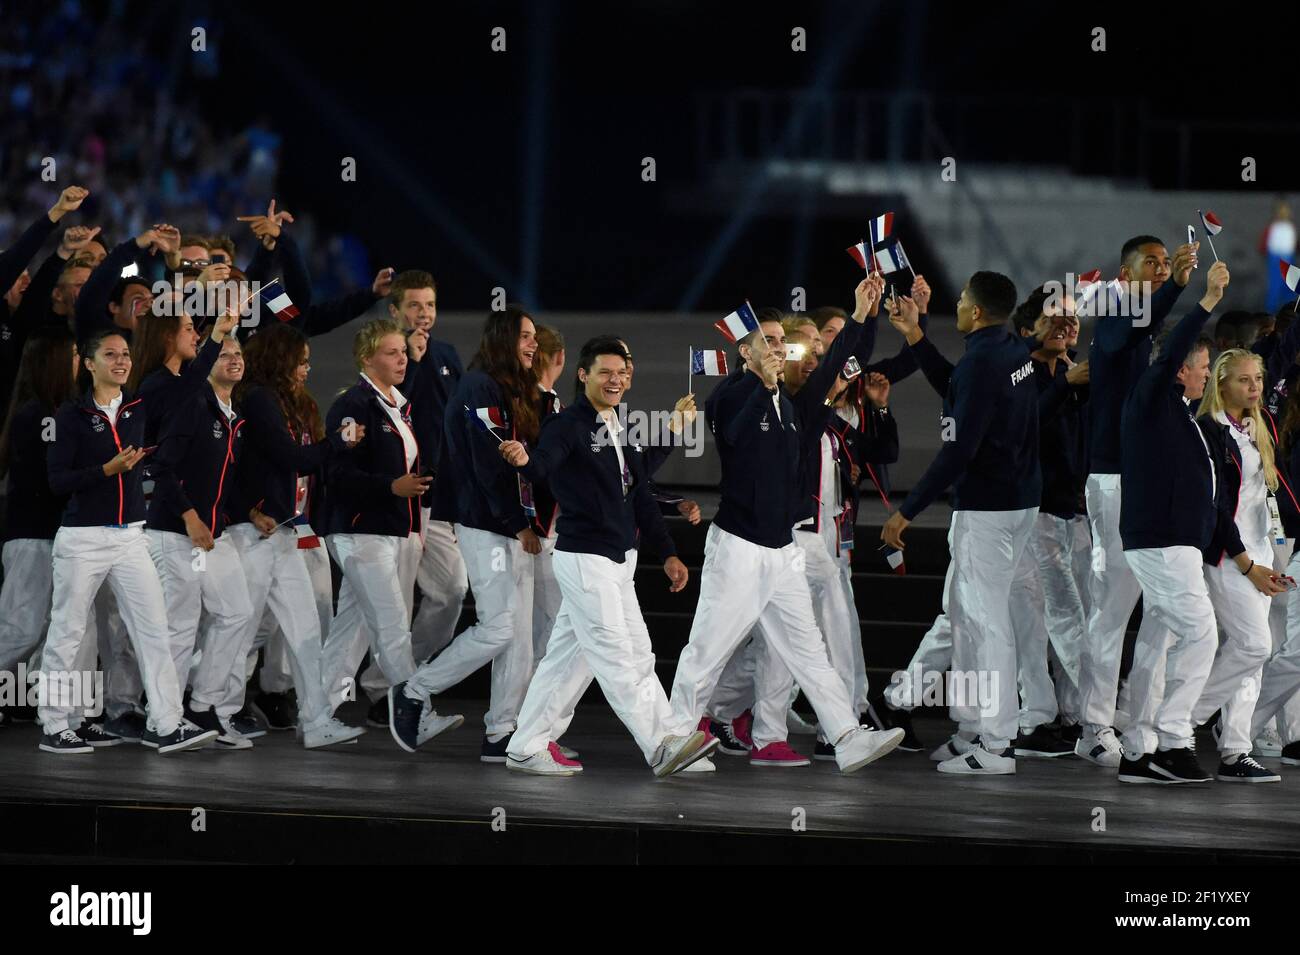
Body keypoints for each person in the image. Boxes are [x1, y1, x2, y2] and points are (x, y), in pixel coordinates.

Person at [663, 294, 905, 775]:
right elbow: (734, 434)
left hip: (783, 550)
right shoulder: (731, 394)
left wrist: (860, 314)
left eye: (780, 342)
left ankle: (847, 736)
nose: (778, 349)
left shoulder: (795, 404)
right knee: (707, 649)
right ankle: (671, 739)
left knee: (808, 650)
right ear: (745, 352)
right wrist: (763, 386)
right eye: (766, 343)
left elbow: (838, 361)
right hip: (738, 546)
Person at [492, 336, 708, 776]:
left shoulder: (618, 422)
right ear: (583, 375)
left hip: (617, 560)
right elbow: (542, 466)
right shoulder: (566, 424)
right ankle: (662, 745)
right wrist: (523, 461)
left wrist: (666, 551)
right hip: (586, 559)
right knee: (618, 655)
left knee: (582, 660)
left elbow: (639, 490)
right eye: (605, 372)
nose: (615, 380)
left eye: (622, 373)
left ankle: (526, 744)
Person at [880, 271, 1040, 775]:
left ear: (974, 312)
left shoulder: (984, 361)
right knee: (967, 617)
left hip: (989, 512)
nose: (958, 302)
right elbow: (956, 386)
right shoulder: (1010, 351)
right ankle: (972, 727)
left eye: (964, 299)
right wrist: (914, 335)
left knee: (989, 625)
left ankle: (997, 744)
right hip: (1016, 504)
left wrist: (907, 510)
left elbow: (959, 451)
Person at [37, 327, 217, 755]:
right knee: (68, 632)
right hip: (82, 539)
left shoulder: (138, 406)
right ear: (88, 362)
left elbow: (190, 383)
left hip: (131, 538)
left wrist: (217, 338)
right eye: (110, 354)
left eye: (125, 354)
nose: (121, 361)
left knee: (154, 628)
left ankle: (166, 722)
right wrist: (107, 470)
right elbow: (57, 481)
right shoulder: (69, 415)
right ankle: (55, 723)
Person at [387, 306, 541, 760]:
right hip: (486, 525)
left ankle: (500, 731)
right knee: (500, 626)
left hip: (511, 527)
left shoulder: (515, 388)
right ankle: (414, 689)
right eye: (525, 336)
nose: (533, 344)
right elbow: (486, 463)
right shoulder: (478, 386)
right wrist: (517, 523)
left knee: (520, 635)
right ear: (503, 339)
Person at [1115, 260, 1242, 784]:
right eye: (1203, 367)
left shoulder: (1186, 418)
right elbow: (1168, 351)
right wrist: (1206, 301)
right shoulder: (1150, 400)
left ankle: (1138, 748)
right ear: (1180, 370)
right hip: (1161, 544)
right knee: (1203, 635)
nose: (1208, 376)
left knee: (1156, 644)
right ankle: (1173, 739)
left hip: (1175, 545)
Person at [1077, 235, 1198, 768]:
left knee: (1163, 612)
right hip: (1113, 480)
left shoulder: (1143, 325)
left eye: (1165, 262)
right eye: (1151, 262)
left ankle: (1139, 722)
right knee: (1114, 604)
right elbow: (1140, 326)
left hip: (1148, 480)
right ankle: (1094, 724)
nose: (1161, 267)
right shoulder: (1112, 319)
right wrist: (1176, 286)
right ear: (1126, 275)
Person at [225, 324, 366, 748]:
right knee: (239, 629)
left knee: (305, 628)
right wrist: (338, 445)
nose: (307, 368)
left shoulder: (288, 402)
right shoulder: (258, 400)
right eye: (301, 360)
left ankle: (316, 718)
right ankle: (214, 710)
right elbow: (289, 458)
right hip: (252, 533)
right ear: (280, 360)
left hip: (282, 532)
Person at [321, 320, 461, 746]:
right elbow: (336, 473)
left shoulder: (396, 405)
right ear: (367, 358)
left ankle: (315, 713)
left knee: (351, 628)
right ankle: (412, 713)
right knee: (392, 625)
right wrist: (391, 487)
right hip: (361, 533)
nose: (402, 358)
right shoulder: (354, 405)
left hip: (389, 530)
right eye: (391, 352)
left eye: (404, 351)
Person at [146, 332, 256, 748]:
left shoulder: (233, 414)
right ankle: (163, 720)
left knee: (237, 612)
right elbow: (161, 466)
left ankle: (202, 705)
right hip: (175, 531)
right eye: (223, 353)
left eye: (238, 353)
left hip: (213, 534)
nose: (233, 359)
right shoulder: (192, 404)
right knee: (180, 626)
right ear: (205, 362)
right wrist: (191, 516)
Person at [1190, 350, 1290, 781]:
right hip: (1229, 556)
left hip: (1262, 551)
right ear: (1221, 382)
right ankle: (1183, 719)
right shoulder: (1208, 429)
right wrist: (1248, 564)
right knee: (1254, 645)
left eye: (1258, 380)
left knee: (1249, 656)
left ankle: (1235, 749)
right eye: (1244, 380)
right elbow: (1215, 509)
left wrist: (1272, 553)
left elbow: (1267, 495)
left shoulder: (1259, 425)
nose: (1254, 388)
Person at [0, 328, 80, 726]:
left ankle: (26, 701)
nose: (80, 361)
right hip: (33, 535)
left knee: (45, 625)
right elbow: (50, 479)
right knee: (22, 625)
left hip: (48, 534)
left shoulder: (48, 410)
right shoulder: (41, 415)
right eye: (74, 355)